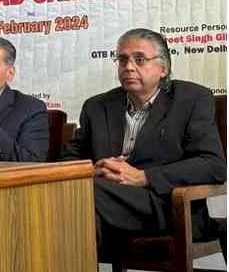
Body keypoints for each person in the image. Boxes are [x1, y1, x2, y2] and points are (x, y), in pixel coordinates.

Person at [62, 28, 226, 244]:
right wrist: (92, 171)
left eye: (139, 59)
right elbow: (68, 159)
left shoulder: (191, 99)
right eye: (122, 60)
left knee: (81, 195)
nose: (128, 67)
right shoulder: (97, 106)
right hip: (104, 201)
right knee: (75, 198)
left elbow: (212, 165)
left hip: (167, 205)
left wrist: (143, 177)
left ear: (163, 68)